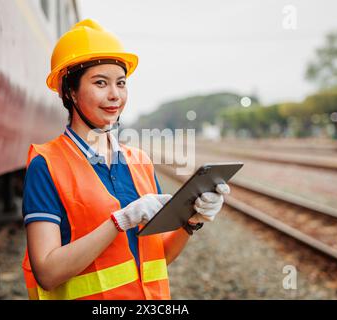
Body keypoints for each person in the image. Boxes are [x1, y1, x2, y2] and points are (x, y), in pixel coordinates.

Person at [21, 19, 230, 300]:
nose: (114, 95)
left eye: (121, 83)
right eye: (100, 83)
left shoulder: (139, 162)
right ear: (70, 92)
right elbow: (47, 272)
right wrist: (119, 221)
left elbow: (158, 257)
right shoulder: (46, 165)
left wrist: (191, 221)